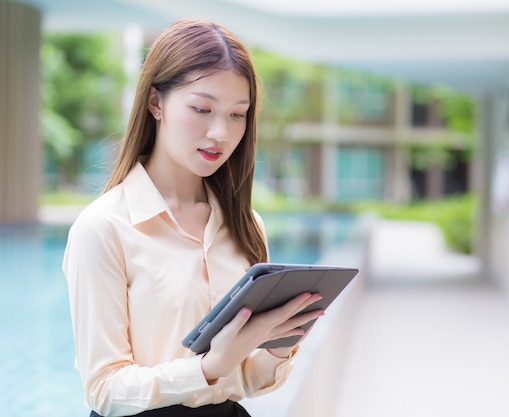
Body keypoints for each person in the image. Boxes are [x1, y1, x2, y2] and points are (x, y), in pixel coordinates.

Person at [63, 18, 324, 417]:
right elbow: (103, 389)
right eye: (202, 108)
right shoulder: (103, 228)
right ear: (156, 103)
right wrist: (208, 367)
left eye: (238, 114)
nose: (220, 132)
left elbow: (245, 380)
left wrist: (281, 343)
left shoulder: (246, 225)